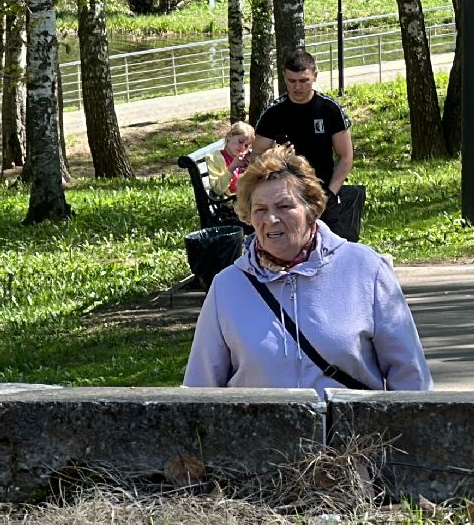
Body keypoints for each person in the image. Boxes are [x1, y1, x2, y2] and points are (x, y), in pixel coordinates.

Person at [184, 150, 432, 390]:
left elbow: (411, 379)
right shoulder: (227, 287)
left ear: (311, 209)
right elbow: (201, 390)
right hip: (262, 433)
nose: (271, 219)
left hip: (353, 432)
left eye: (284, 206)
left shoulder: (365, 269)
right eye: (260, 210)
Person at [254, 49, 358, 237]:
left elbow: (346, 156)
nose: (298, 87)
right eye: (292, 81)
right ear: (284, 77)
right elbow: (256, 156)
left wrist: (331, 193)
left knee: (336, 247)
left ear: (315, 76)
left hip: (323, 189)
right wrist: (274, 155)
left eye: (304, 81)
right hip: (285, 193)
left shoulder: (329, 109)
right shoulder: (273, 114)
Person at [210, 120, 257, 197]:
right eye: (240, 141)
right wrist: (232, 168)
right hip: (230, 202)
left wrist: (246, 171)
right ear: (229, 136)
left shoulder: (243, 158)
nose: (242, 148)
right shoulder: (215, 158)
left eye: (246, 146)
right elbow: (217, 190)